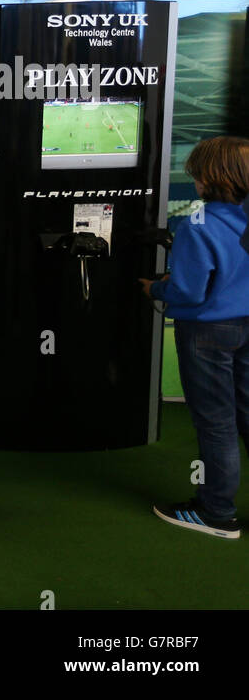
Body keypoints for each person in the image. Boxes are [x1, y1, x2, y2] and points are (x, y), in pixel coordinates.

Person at [142, 136, 249, 539]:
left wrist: (155, 289)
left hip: (208, 332)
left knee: (217, 421)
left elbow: (189, 292)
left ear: (209, 178)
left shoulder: (198, 224)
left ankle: (216, 512)